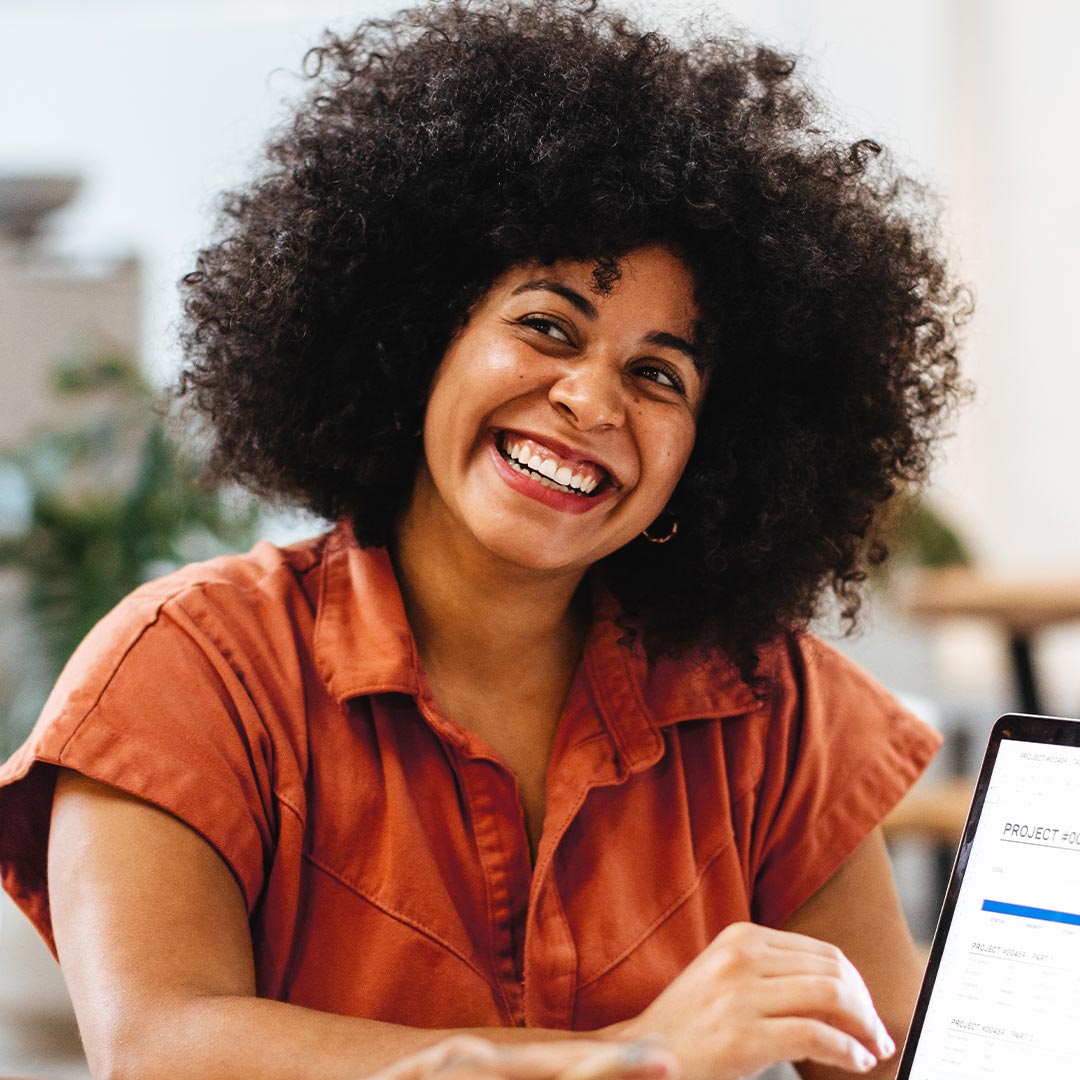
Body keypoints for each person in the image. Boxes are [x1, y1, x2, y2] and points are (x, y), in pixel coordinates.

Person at [0, 2, 969, 1079]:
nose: (593, 401)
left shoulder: (767, 705)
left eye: (659, 376)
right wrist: (631, 1057)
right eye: (546, 326)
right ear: (419, 340)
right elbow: (160, 1048)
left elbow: (895, 1060)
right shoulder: (187, 671)